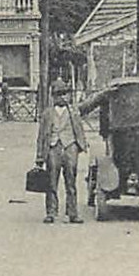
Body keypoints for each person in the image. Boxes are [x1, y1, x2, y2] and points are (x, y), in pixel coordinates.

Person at [34, 85, 90, 224]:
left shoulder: (74, 111)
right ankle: (51, 212)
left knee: (71, 182)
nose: (63, 97)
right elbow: (41, 135)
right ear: (54, 97)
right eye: (60, 94)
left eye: (65, 94)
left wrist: (79, 145)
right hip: (53, 148)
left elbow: (80, 129)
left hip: (70, 148)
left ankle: (72, 213)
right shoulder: (47, 113)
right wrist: (39, 156)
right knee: (51, 182)